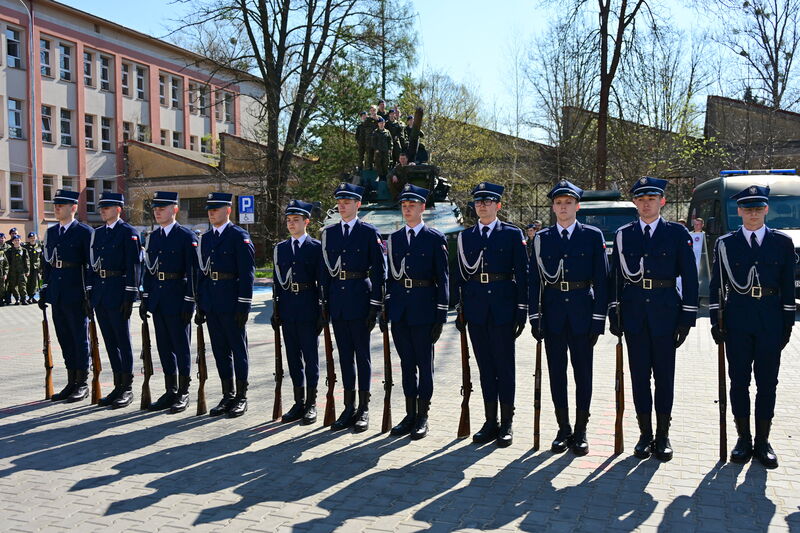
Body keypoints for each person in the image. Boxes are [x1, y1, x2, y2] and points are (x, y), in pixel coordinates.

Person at [608, 177, 698, 462]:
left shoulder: (676, 233)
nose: (646, 204)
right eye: (641, 199)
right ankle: (644, 434)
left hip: (665, 312)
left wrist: (687, 318)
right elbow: (615, 278)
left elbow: (691, 278)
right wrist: (614, 310)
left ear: (662, 202)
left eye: (651, 199)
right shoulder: (624, 234)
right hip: (634, 312)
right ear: (634, 203)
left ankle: (662, 434)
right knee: (639, 377)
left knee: (664, 377)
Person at [709, 185, 797, 469]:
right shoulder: (725, 243)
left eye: (758, 208)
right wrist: (714, 319)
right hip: (737, 320)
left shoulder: (782, 243)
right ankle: (743, 439)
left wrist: (787, 324)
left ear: (766, 210)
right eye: (748, 209)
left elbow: (786, 287)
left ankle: (763, 441)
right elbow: (716, 286)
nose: (753, 214)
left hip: (770, 319)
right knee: (739, 382)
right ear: (739, 212)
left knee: (768, 383)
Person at [528, 180, 608, 456]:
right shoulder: (542, 238)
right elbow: (534, 281)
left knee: (583, 373)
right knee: (557, 373)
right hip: (552, 313)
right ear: (553, 207)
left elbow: (602, 280)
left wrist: (599, 319)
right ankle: (563, 428)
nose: (563, 207)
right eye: (559, 203)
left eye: (568, 203)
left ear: (578, 206)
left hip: (582, 311)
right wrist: (535, 316)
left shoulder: (592, 236)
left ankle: (581, 429)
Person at [455, 182, 528, 447]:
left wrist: (522, 309)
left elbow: (523, 273)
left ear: (498, 205)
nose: (482, 206)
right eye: (478, 202)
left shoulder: (511, 234)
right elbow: (461, 278)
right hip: (476, 308)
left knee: (504, 366)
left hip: (502, 306)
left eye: (487, 202)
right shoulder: (466, 237)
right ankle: (490, 421)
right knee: (485, 367)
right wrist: (461, 309)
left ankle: (507, 422)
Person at [319, 183, 386, 432]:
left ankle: (363, 409)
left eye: (347, 202)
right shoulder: (329, 233)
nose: (342, 205)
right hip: (338, 299)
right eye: (340, 201)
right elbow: (325, 271)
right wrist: (323, 302)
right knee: (344, 356)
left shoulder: (369, 232)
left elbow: (380, 270)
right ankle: (348, 407)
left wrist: (375, 305)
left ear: (358, 205)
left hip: (360, 296)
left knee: (362, 356)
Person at [384, 184, 449, 439]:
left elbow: (442, 278)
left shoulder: (434, 238)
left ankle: (423, 415)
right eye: (404, 205)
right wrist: (387, 306)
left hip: (424, 309)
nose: (407, 209)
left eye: (412, 205)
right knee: (407, 364)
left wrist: (441, 315)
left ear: (422, 208)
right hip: (400, 309)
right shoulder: (395, 238)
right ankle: (409, 414)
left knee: (424, 364)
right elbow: (390, 276)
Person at [195, 193, 255, 418]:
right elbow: (202, 273)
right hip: (212, 301)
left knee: (238, 350)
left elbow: (247, 274)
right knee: (220, 351)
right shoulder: (206, 238)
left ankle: (241, 396)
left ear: (228, 210)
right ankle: (227, 394)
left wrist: (244, 305)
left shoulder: (239, 236)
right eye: (209, 209)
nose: (211, 212)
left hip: (231, 301)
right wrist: (200, 303)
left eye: (216, 208)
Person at [140, 191, 199, 414]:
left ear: (174, 209)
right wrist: (145, 297)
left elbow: (194, 272)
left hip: (178, 297)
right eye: (155, 208)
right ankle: (170, 389)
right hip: (158, 298)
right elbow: (148, 270)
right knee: (164, 347)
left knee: (181, 347)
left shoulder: (186, 236)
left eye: (162, 208)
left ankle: (183, 391)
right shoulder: (153, 237)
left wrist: (189, 301)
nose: (157, 211)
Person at [39, 189, 93, 403]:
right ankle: (71, 380)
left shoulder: (84, 232)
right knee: (64, 338)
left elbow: (90, 266)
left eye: (61, 205)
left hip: (76, 291)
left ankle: (82, 382)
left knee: (80, 338)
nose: (56, 208)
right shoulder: (52, 233)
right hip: (57, 293)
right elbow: (47, 264)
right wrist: (44, 289)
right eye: (55, 205)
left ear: (73, 207)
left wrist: (89, 293)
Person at [88, 192, 142, 409]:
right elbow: (92, 265)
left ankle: (127, 387)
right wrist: (91, 292)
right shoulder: (98, 234)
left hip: (118, 291)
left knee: (122, 341)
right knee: (109, 342)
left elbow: (134, 266)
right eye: (101, 207)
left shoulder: (128, 233)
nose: (102, 210)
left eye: (107, 207)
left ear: (118, 209)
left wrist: (130, 295)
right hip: (101, 293)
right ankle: (117, 384)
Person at [272, 200, 323, 424]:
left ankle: (311, 403)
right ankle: (298, 401)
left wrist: (322, 310)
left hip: (308, 307)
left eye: (296, 220)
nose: (291, 224)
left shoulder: (315, 248)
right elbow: (277, 282)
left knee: (310, 358)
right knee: (292, 358)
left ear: (306, 222)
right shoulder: (281, 249)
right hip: (287, 308)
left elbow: (322, 281)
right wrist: (276, 310)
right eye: (289, 220)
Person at [5, 234, 28, 305]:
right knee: (14, 285)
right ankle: (17, 299)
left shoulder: (24, 250)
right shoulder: (9, 251)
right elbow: (7, 262)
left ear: (20, 241)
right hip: (12, 271)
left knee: (22, 285)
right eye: (15, 240)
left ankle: (23, 299)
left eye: (18, 240)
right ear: (12, 242)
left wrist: (27, 270)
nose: (17, 242)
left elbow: (27, 261)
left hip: (22, 271)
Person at [23, 232, 42, 303]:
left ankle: (32, 297)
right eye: (31, 238)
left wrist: (41, 267)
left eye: (34, 238)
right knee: (28, 283)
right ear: (28, 239)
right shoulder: (25, 247)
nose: (32, 239)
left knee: (35, 283)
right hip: (28, 268)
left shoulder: (39, 246)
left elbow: (41, 257)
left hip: (36, 268)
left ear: (36, 238)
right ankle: (30, 297)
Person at [364, 106, 379, 171]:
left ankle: (377, 168)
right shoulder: (367, 119)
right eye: (372, 110)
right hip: (369, 140)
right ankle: (369, 168)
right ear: (370, 111)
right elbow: (364, 127)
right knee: (369, 156)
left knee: (377, 155)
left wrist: (376, 119)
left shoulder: (379, 118)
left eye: (374, 110)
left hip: (377, 140)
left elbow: (382, 126)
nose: (373, 112)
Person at [0, 233, 7, 307]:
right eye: (0, 238)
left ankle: (3, 299)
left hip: (3, 272)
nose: (1, 239)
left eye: (2, 238)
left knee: (3, 287)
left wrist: (5, 273)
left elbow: (6, 264)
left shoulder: (2, 252)